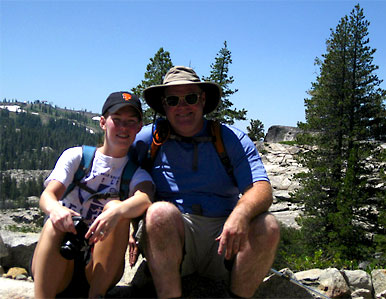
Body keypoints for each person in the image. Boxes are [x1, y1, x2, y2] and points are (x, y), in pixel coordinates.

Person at [132, 66, 280, 298]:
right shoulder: (149, 140)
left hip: (224, 237)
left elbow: (261, 189)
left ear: (202, 100)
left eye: (190, 98)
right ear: (164, 105)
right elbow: (115, 172)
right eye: (173, 100)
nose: (182, 107)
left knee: (268, 226)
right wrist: (127, 226)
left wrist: (240, 214)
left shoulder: (231, 139)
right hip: (175, 237)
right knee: (159, 212)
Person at [31, 92, 154, 298]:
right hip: (59, 258)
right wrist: (57, 210)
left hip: (99, 266)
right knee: (54, 222)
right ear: (103, 122)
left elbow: (145, 197)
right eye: (117, 120)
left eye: (131, 122)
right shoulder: (77, 157)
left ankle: (96, 295)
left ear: (139, 127)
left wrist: (116, 211)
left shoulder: (136, 174)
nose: (124, 128)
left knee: (116, 209)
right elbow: (48, 195)